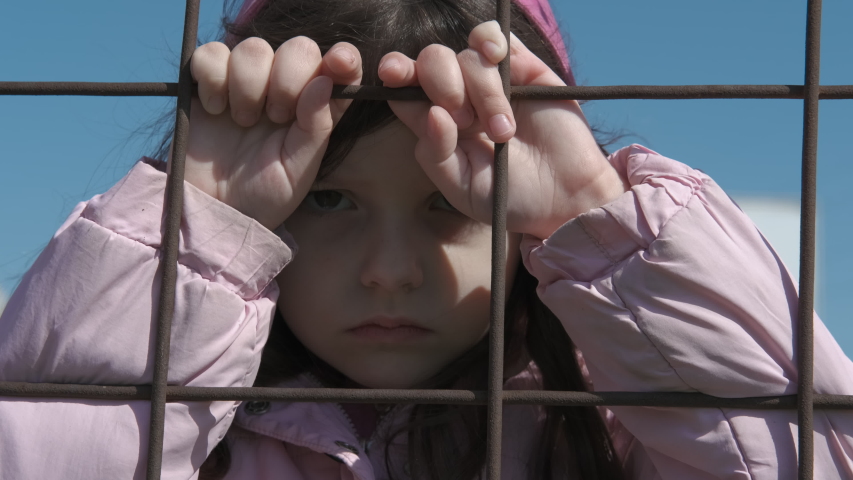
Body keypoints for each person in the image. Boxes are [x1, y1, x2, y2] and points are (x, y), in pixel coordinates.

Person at [1, 0, 851, 478]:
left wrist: (591, 215)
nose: (389, 273)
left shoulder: (619, 430)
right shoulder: (212, 442)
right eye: (329, 201)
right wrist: (192, 228)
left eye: (453, 204)